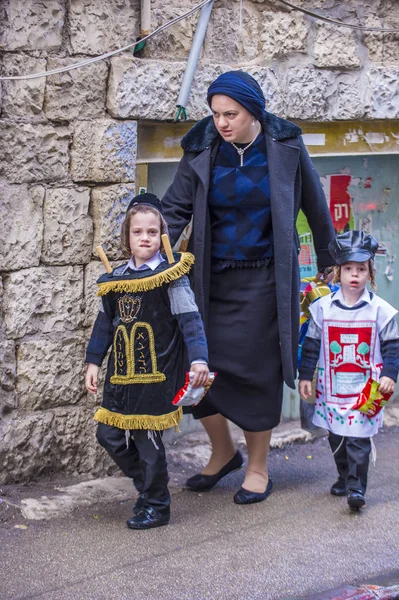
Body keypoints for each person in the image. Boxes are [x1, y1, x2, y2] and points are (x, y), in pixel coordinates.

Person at [162, 70, 335, 504]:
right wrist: (147, 251)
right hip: (210, 279)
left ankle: (258, 466)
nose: (222, 122)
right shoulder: (202, 145)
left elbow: (315, 203)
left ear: (253, 112)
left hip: (264, 278)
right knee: (198, 365)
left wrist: (331, 258)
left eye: (231, 114)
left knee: (259, 371)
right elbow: (175, 208)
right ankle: (223, 452)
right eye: (216, 113)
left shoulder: (286, 146)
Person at [85, 193, 209, 529]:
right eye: (138, 232)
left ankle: (157, 506)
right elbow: (103, 325)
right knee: (108, 436)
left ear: (162, 235)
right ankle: (149, 488)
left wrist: (199, 360)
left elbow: (191, 322)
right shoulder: (115, 278)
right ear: (127, 237)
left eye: (152, 232)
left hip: (155, 379)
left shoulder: (172, 275)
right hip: (119, 378)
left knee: (148, 445)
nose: (145, 238)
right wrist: (93, 362)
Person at [299, 230, 399, 509]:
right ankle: (343, 476)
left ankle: (357, 488)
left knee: (359, 439)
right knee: (337, 436)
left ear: (370, 273)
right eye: (348, 269)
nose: (354, 274)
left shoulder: (382, 311)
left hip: (366, 389)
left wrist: (390, 374)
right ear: (338, 272)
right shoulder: (322, 309)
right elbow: (311, 345)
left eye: (361, 269)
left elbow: (392, 346)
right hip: (331, 390)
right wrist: (305, 375)